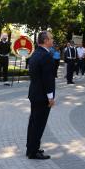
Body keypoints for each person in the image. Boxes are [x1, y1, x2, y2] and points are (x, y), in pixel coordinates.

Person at [26, 31, 55, 160]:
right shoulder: (45, 56)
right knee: (38, 123)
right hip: (42, 95)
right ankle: (33, 151)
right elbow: (47, 78)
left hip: (35, 93)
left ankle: (31, 147)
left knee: (33, 122)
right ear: (45, 41)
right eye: (51, 38)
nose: (53, 40)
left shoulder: (35, 53)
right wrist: (50, 95)